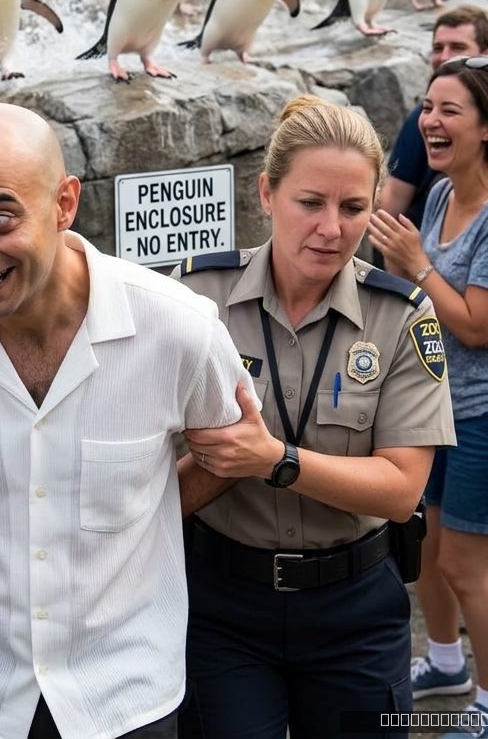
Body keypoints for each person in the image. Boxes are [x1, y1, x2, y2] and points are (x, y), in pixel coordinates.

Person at [0, 102, 258, 739]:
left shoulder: (178, 328)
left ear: (65, 204)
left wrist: (141, 511)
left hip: (124, 695)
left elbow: (232, 452)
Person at [174, 95, 455, 739]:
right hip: (223, 608)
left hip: (355, 613)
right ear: (267, 194)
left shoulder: (401, 316)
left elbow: (401, 489)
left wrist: (275, 461)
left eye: (353, 208)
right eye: (310, 203)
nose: (331, 228)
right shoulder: (195, 299)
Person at [371, 58, 488, 738]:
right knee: (431, 552)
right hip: (436, 406)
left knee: (469, 567)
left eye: (449, 110)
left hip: (480, 415)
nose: (430, 121)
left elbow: (474, 327)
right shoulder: (440, 195)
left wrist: (414, 263)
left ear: (485, 128)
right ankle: (445, 663)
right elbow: (418, 296)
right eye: (426, 106)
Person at [379, 6, 488, 238]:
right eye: (438, 48)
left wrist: (413, 258)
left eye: (458, 48)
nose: (445, 57)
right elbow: (391, 204)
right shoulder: (441, 194)